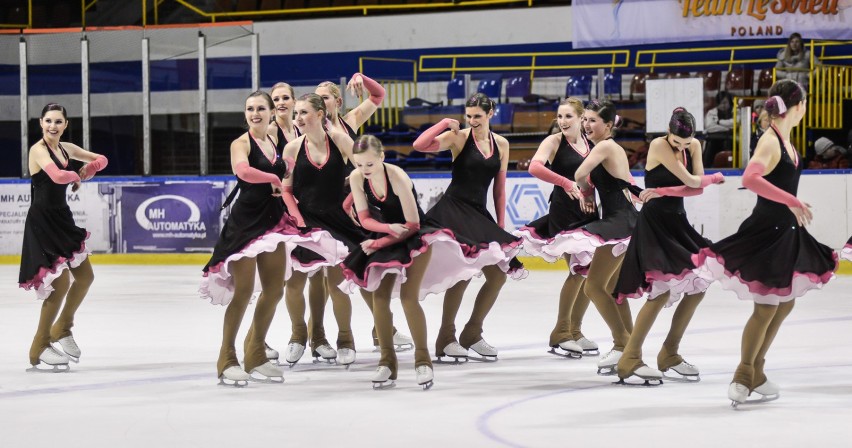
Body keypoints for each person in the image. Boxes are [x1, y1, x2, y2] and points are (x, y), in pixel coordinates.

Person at [693, 79, 838, 407]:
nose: (805, 110)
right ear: (797, 107)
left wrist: (791, 207)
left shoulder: (785, 140)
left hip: (785, 231)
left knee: (785, 302)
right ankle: (744, 373)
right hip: (768, 230)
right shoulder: (771, 142)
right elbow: (750, 179)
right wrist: (793, 201)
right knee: (767, 306)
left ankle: (756, 369)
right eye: (804, 104)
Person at [200, 91, 339, 386]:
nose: (255, 113)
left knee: (275, 290)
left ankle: (255, 354)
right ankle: (226, 359)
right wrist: (275, 178)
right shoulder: (242, 143)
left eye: (261, 108)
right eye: (250, 109)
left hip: (274, 221)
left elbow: (287, 173)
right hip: (246, 224)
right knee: (243, 292)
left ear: (270, 112)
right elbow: (243, 171)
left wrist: (292, 198)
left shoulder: (275, 143)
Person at [340, 136, 497, 389]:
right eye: (359, 165)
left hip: (416, 237)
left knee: (408, 298)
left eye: (369, 164)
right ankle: (387, 362)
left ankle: (422, 360)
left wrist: (379, 241)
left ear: (381, 157)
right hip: (388, 233)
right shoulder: (358, 178)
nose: (364, 170)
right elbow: (365, 219)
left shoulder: (398, 176)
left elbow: (412, 225)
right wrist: (385, 230)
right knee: (379, 299)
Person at [612, 107, 725, 385]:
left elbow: (696, 188)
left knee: (701, 280)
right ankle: (630, 358)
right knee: (660, 291)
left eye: (686, 143)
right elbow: (692, 180)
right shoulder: (659, 146)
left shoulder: (695, 145)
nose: (682, 147)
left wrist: (663, 191)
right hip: (655, 223)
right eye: (678, 142)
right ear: (668, 133)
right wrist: (713, 178)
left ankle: (669, 353)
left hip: (677, 220)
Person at [413, 93, 526, 362]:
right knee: (461, 275)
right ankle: (445, 337)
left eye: (478, 115)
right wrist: (442, 123)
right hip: (454, 210)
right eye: (469, 116)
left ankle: (472, 332)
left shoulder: (502, 144)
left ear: (491, 113)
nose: (473, 121)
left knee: (498, 276)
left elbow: (499, 190)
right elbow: (419, 145)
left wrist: (499, 228)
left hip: (478, 214)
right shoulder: (459, 137)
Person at [310, 75, 416, 354]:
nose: (321, 102)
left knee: (365, 267)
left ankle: (382, 329)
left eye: (326, 97)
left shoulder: (349, 122)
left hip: (355, 204)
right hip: (322, 208)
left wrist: (362, 78)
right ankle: (316, 336)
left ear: (337, 102)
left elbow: (379, 95)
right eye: (317, 98)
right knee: (324, 275)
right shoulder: (307, 128)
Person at [19, 103, 109, 372]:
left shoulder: (67, 148)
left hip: (62, 218)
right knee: (59, 284)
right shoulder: (38, 150)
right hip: (43, 221)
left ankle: (62, 328)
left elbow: (102, 159)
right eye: (48, 121)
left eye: (58, 121)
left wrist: (89, 169)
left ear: (66, 124)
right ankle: (39, 346)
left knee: (85, 277)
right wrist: (75, 176)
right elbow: (57, 175)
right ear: (40, 122)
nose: (52, 126)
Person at [280, 93, 367, 367]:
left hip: (337, 221)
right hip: (305, 222)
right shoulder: (292, 148)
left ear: (319, 114)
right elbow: (286, 189)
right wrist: (296, 217)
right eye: (297, 114)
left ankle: (346, 339)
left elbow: (363, 171)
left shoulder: (340, 140)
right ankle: (298, 336)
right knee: (294, 284)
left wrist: (351, 201)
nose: (298, 118)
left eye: (304, 112)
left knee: (337, 284)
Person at [513, 98, 600, 357]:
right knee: (579, 270)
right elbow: (535, 167)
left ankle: (574, 330)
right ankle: (561, 332)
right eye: (560, 116)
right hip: (563, 213)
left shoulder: (591, 144)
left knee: (589, 273)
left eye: (568, 116)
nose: (562, 121)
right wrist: (564, 182)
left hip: (589, 214)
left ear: (581, 118)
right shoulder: (553, 142)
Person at [567, 99, 639, 375]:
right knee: (612, 289)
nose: (586, 125)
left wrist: (585, 192)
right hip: (624, 218)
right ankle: (630, 347)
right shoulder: (610, 149)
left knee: (594, 287)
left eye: (592, 120)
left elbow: (579, 173)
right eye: (584, 119)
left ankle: (622, 344)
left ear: (608, 125)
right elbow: (629, 181)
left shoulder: (606, 146)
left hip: (618, 221)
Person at [703, 91, 734, 168]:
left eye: (725, 103)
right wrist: (727, 128)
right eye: (721, 103)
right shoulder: (711, 112)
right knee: (710, 145)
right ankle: (706, 167)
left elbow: (735, 124)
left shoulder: (736, 112)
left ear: (730, 102)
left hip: (730, 138)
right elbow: (710, 128)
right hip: (714, 139)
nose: (723, 105)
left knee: (727, 143)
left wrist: (718, 122)